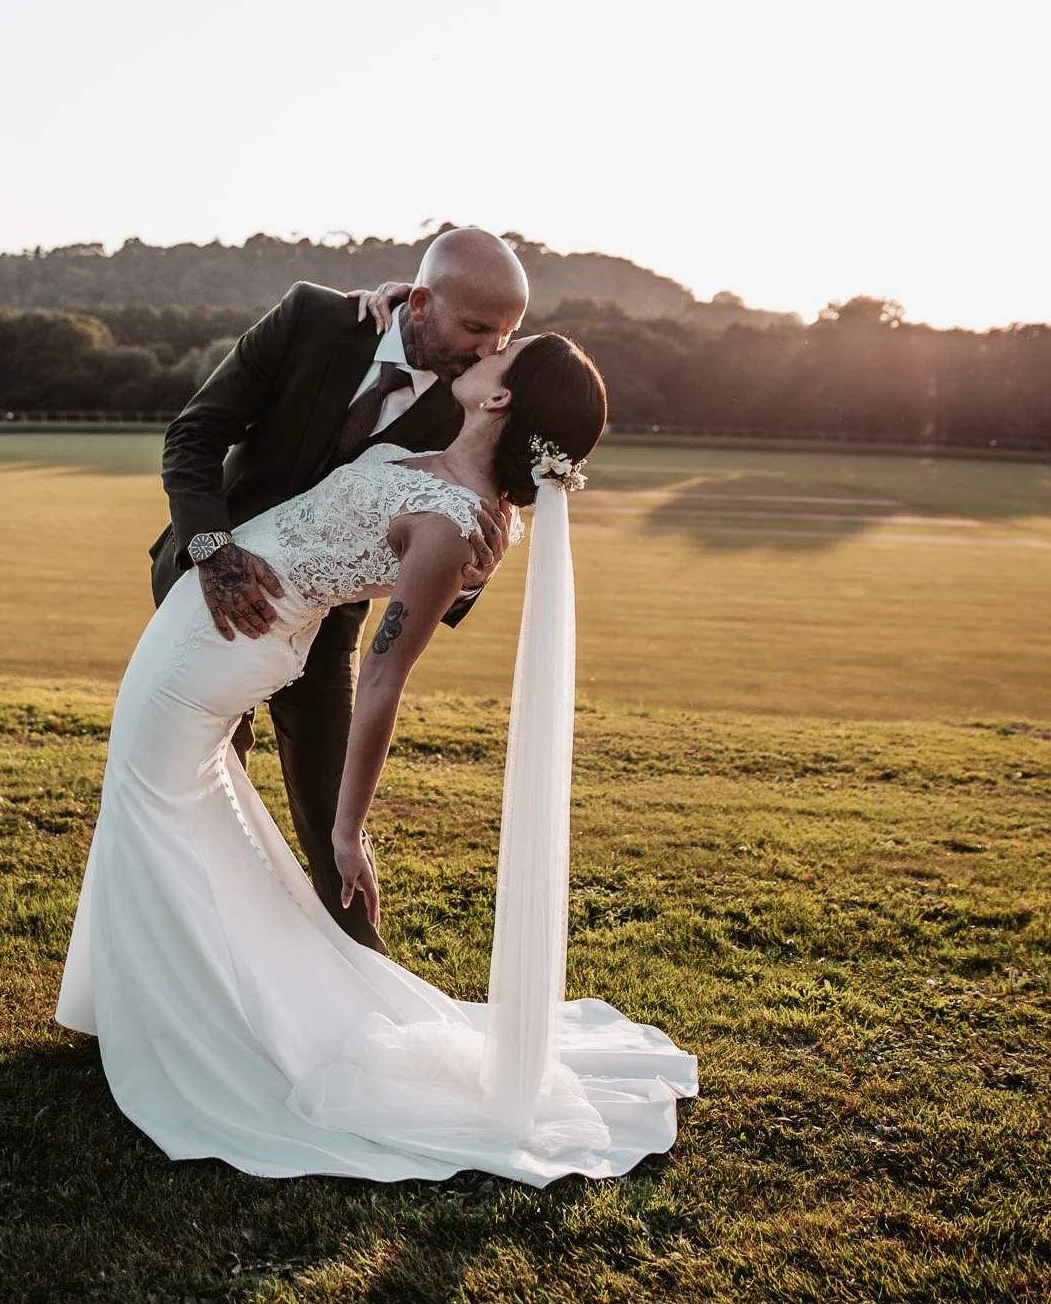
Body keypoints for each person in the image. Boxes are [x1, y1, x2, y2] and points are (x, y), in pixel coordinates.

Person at [55, 332, 699, 1186]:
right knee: (186, 812)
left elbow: (383, 680)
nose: (489, 354)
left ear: (501, 399)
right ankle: (134, 1001)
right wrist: (388, 304)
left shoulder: (453, 525)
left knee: (148, 803)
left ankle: (192, 1032)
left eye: (505, 356)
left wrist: (349, 826)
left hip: (219, 644)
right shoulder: (451, 474)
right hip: (224, 626)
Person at [150, 228, 530, 955]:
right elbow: (192, 437)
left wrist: (474, 577)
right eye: (476, 327)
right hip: (209, 597)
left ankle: (373, 995)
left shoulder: (471, 409)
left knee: (332, 817)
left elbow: (441, 567)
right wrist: (214, 554)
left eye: (504, 336)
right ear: (417, 301)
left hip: (326, 627)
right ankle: (197, 968)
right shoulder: (315, 320)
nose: (489, 349)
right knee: (195, 791)